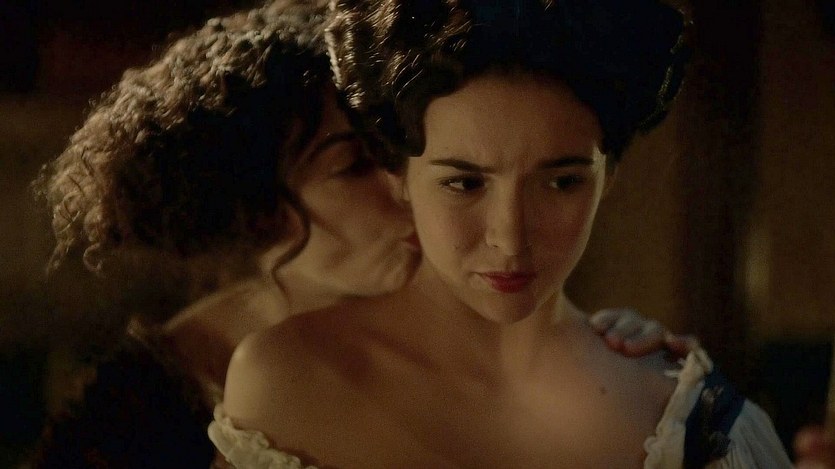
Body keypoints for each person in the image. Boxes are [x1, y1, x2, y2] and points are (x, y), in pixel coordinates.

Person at [29, 1, 674, 467]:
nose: (406, 192)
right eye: (358, 167)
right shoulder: (139, 416)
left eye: (407, 157)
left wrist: (619, 358)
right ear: (262, 213)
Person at [213, 0, 793, 467]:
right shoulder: (289, 379)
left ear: (608, 177)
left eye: (562, 182)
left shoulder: (683, 414)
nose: (511, 240)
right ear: (398, 176)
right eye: (464, 183)